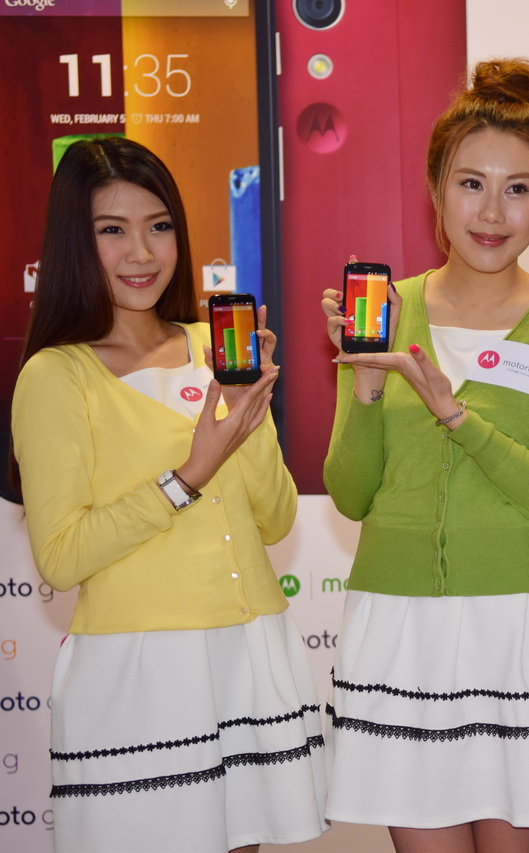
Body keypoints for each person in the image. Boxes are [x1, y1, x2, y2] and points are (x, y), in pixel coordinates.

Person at [320, 58, 529, 853]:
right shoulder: (388, 311)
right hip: (403, 626)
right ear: (436, 189)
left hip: (523, 628)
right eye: (470, 184)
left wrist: (455, 413)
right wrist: (366, 384)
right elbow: (350, 494)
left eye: (518, 188)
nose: (492, 211)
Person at [10, 137, 325, 853]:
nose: (141, 253)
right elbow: (60, 555)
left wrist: (250, 415)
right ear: (74, 241)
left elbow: (276, 519)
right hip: (139, 672)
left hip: (248, 648)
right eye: (112, 230)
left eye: (159, 226)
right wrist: (187, 477)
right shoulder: (56, 376)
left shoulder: (216, 348)